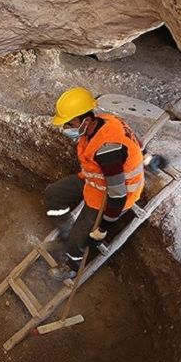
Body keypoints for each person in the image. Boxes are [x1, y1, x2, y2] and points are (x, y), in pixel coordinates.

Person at [45, 87, 146, 280]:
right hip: (94, 181)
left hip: (112, 196)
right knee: (53, 194)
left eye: (70, 123)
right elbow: (136, 145)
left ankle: (72, 265)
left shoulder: (108, 150)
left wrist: (102, 229)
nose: (66, 128)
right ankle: (65, 228)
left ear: (87, 120)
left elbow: (117, 195)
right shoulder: (105, 120)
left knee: (77, 238)